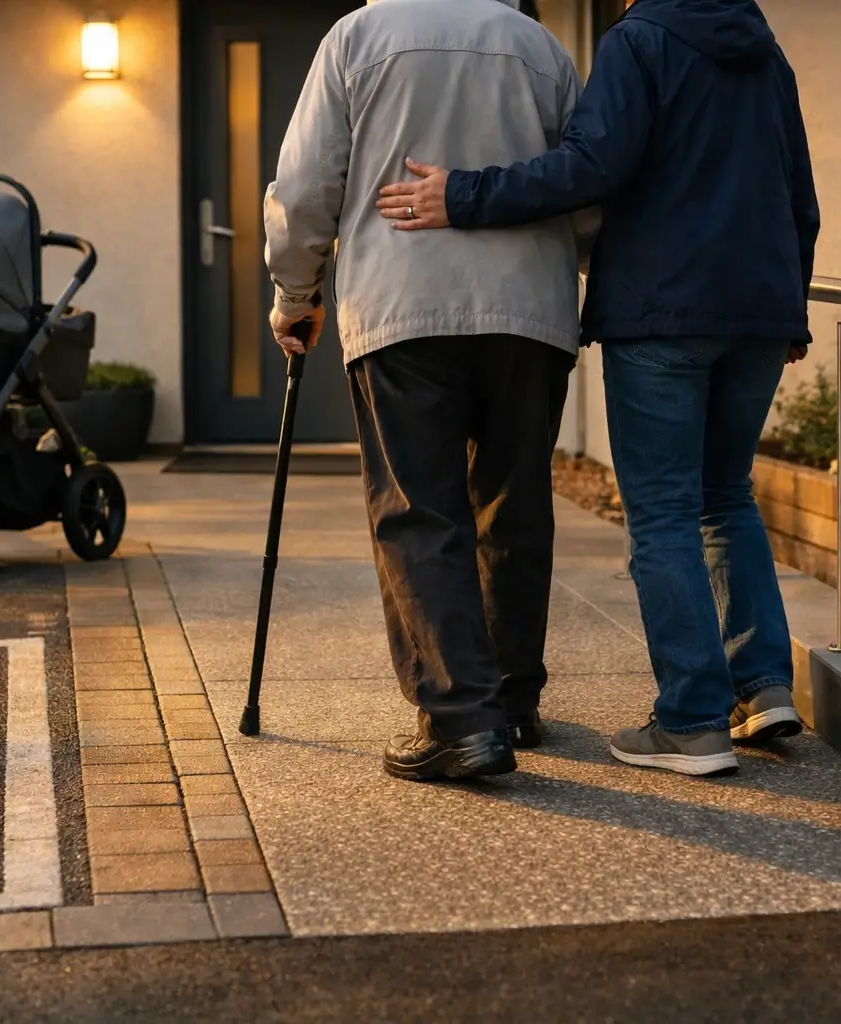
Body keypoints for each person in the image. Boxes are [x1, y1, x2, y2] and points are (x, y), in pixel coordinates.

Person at [375, 0, 819, 777]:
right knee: (726, 495)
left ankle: (690, 721)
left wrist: (464, 195)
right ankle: (762, 686)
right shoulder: (766, 52)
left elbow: (589, 167)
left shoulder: (638, 41)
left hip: (663, 313)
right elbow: (801, 198)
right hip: (758, 311)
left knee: (666, 514)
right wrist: (789, 307)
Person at [263, 0, 594, 781]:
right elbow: (585, 190)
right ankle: (511, 700)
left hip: (403, 311)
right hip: (528, 314)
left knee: (419, 509)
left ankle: (460, 717)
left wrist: (294, 292)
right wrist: (580, 269)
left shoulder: (357, 38)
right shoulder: (539, 46)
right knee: (514, 500)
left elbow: (308, 184)